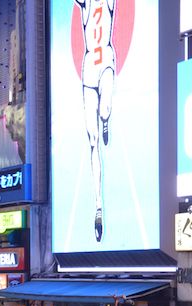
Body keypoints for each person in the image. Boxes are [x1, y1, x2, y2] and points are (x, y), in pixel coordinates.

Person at [76, 0, 115, 242]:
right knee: (93, 140)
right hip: (88, 69)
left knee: (105, 110)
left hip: (106, 62)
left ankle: (106, 118)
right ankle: (98, 207)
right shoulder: (84, 5)